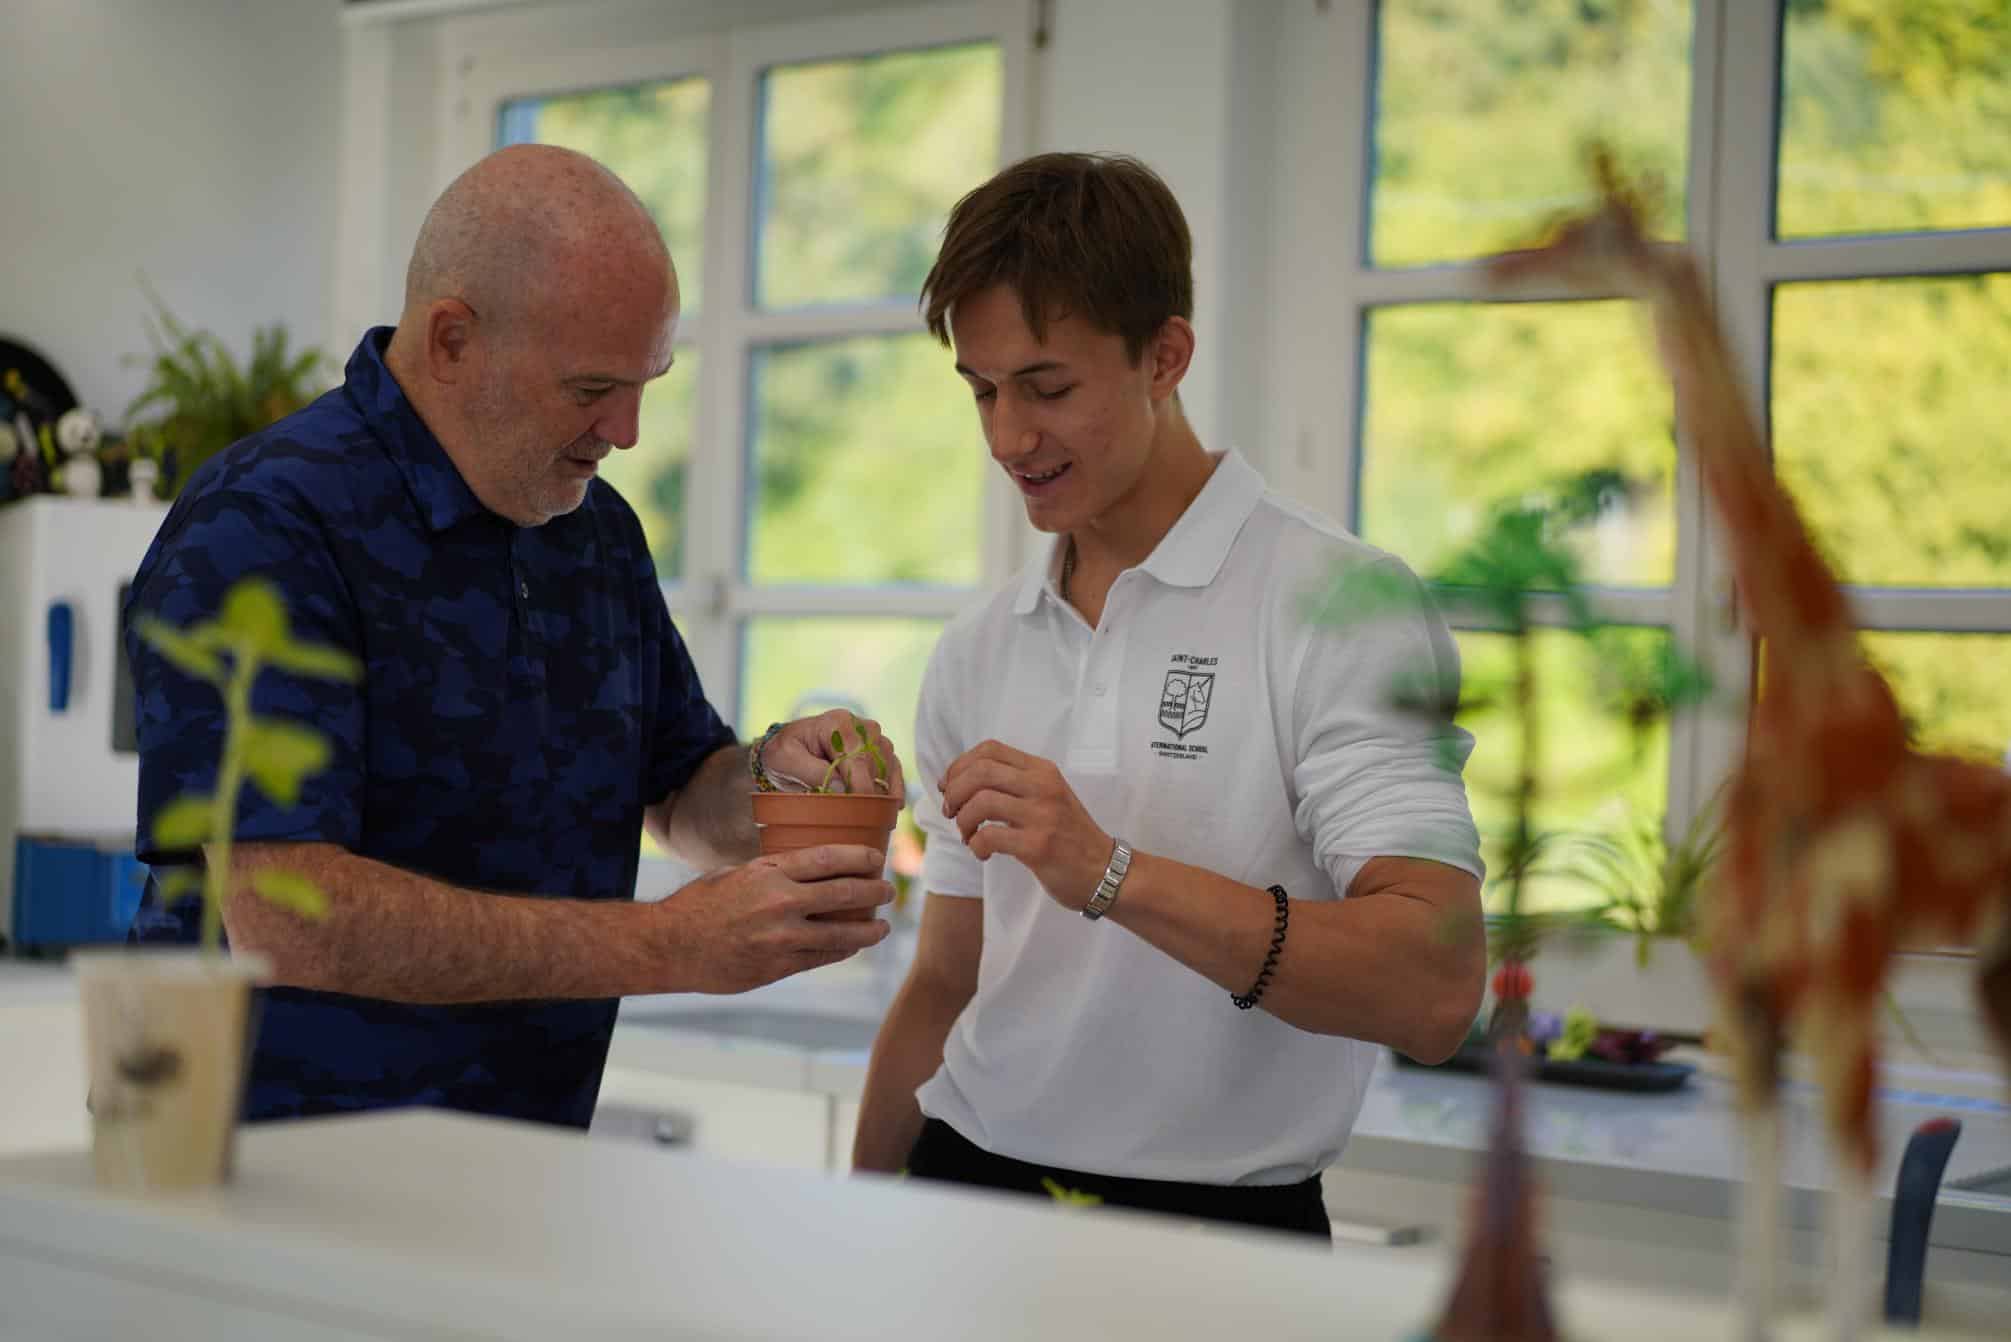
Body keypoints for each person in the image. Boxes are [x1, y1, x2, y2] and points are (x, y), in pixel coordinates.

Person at [124, 144, 904, 1129]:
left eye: (645, 383)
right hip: (259, 1172)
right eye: (590, 389)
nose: (625, 429)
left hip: (518, 1169)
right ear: (451, 340)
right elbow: (286, 915)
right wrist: (665, 944)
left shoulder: (595, 530)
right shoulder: (266, 524)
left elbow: (682, 791)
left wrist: (781, 782)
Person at [850, 152, 1486, 1240]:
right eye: (983, 392)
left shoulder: (1338, 602)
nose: (1008, 439)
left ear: (1165, 356)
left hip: (1222, 1231)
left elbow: (1432, 989)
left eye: (1047, 388)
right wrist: (857, 1228)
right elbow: (946, 982)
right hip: (962, 1192)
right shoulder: (977, 646)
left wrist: (1107, 871)